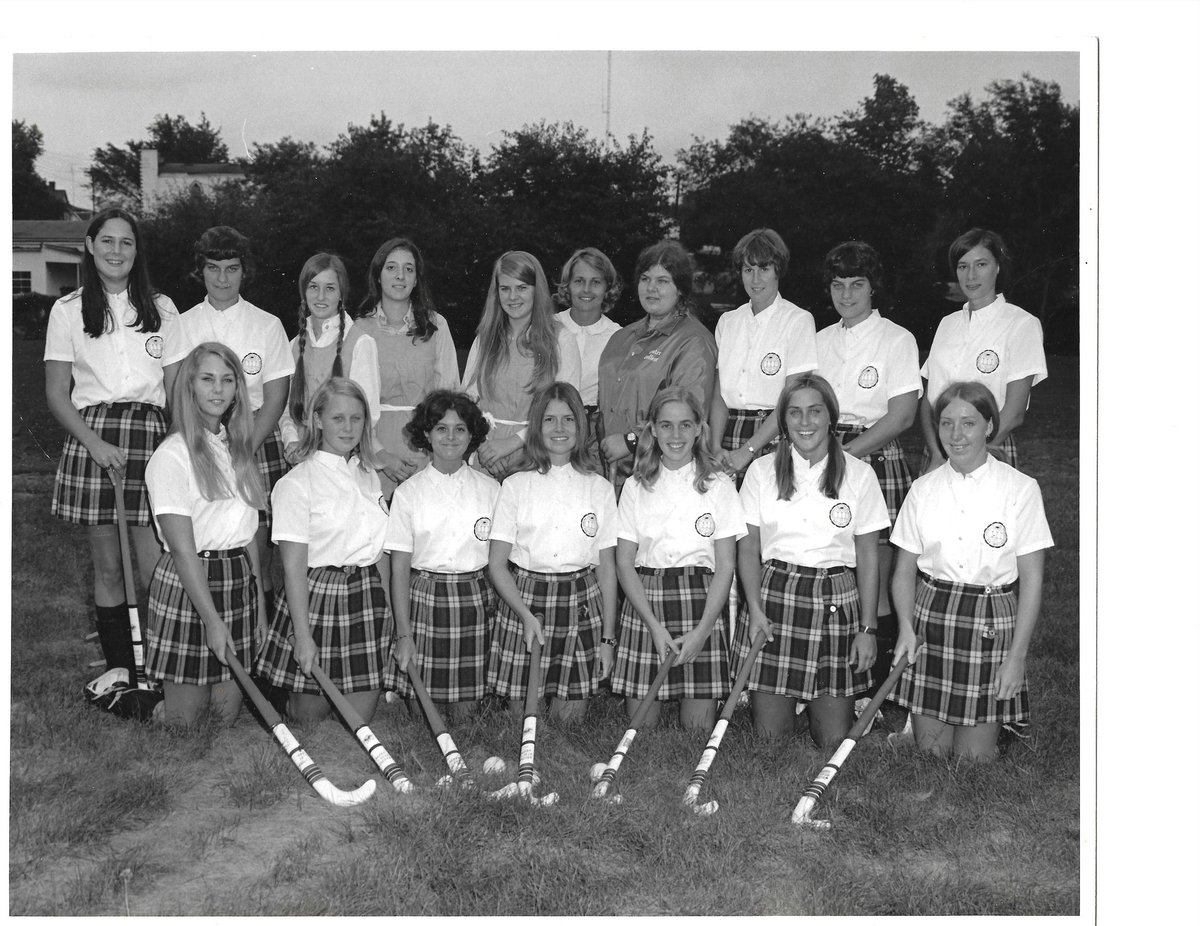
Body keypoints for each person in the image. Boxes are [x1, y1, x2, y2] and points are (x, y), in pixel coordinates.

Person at [43, 206, 178, 678]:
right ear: (90, 245)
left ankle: (163, 667)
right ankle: (122, 671)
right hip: (94, 438)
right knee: (108, 567)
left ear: (136, 251)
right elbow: (58, 395)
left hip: (151, 439)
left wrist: (176, 451)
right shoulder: (67, 311)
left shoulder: (161, 309)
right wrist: (95, 445)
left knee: (156, 563)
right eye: (107, 241)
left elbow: (176, 389)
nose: (116, 251)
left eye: (126, 242)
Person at [890, 381, 1052, 762]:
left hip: (989, 618)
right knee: (930, 754)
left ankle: (997, 728)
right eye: (946, 423)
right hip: (934, 616)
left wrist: (1016, 657)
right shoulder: (922, 489)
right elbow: (902, 572)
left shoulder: (1020, 489)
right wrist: (906, 629)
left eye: (968, 423)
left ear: (989, 426)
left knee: (973, 762)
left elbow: (1032, 579)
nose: (956, 435)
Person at [735, 374, 890, 744]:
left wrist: (868, 630)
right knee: (770, 738)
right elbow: (747, 547)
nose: (805, 422)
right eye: (795, 413)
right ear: (783, 420)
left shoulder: (860, 474)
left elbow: (868, 556)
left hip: (834, 598)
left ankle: (829, 705)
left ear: (831, 416)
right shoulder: (760, 471)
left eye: (815, 412)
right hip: (776, 598)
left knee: (832, 740)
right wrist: (754, 609)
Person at [163, 226, 293, 606]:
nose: (222, 278)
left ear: (244, 271)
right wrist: (203, 445)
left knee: (258, 548)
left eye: (232, 268)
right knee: (210, 537)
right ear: (199, 271)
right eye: (213, 268)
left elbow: (275, 396)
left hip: (253, 440)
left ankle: (261, 636)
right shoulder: (182, 325)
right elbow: (175, 391)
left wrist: (243, 447)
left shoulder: (267, 324)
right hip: (198, 441)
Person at [814, 241, 921, 692]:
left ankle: (879, 686)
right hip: (822, 452)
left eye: (857, 284)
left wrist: (845, 454)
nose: (847, 294)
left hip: (874, 455)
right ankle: (832, 676)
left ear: (873, 287)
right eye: (838, 285)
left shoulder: (897, 338)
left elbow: (902, 415)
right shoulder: (819, 340)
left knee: (874, 565)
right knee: (830, 556)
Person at [144, 343, 267, 726]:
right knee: (185, 725)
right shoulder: (172, 455)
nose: (218, 390)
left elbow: (247, 535)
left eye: (228, 380)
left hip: (236, 581)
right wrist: (212, 621)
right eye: (208, 379)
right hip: (189, 584)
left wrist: (260, 605)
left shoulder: (238, 448)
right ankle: (134, 702)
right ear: (190, 386)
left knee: (223, 719)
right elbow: (182, 551)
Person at [256, 378, 393, 724]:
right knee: (308, 718)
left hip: (365, 596)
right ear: (317, 420)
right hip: (318, 598)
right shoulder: (295, 484)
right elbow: (292, 570)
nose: (349, 428)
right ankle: (275, 684)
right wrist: (303, 637)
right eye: (338, 418)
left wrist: (392, 616)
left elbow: (380, 553)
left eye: (357, 418)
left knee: (357, 720)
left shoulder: (368, 475)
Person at [609, 387, 745, 730]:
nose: (676, 435)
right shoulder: (635, 485)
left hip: (700, 602)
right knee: (641, 726)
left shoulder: (719, 484)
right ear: (652, 429)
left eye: (686, 425)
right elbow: (625, 563)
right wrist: (653, 627)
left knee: (697, 729)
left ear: (700, 428)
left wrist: (702, 631)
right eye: (666, 425)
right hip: (647, 602)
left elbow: (726, 566)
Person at [486, 382, 618, 723]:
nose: (559, 429)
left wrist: (607, 637)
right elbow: (498, 565)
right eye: (549, 420)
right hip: (526, 601)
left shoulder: (599, 487)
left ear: (580, 425)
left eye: (568, 420)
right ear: (536, 427)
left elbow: (606, 568)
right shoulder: (515, 485)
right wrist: (525, 614)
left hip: (580, 599)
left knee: (568, 723)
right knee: (524, 720)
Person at [384, 390, 499, 723]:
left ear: (472, 435)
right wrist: (404, 634)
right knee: (424, 717)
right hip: (425, 601)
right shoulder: (407, 494)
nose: (451, 437)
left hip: (474, 601)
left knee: (466, 719)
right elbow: (400, 571)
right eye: (441, 428)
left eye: (460, 428)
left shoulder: (491, 490)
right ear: (426, 435)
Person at [919, 228, 1047, 473]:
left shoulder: (1021, 324)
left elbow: (1015, 411)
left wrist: (972, 458)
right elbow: (929, 400)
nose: (971, 275)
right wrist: (936, 453)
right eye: (963, 266)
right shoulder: (948, 324)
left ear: (997, 267)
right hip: (939, 451)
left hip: (991, 449)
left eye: (981, 264)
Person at [597, 241, 717, 489]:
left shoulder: (694, 341)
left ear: (680, 289)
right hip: (607, 475)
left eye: (662, 281)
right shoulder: (621, 337)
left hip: (656, 476)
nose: (651, 288)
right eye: (645, 278)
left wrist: (630, 441)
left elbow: (688, 417)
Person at [708, 228, 818, 488]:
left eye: (764, 269)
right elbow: (719, 395)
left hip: (774, 434)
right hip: (728, 437)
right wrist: (715, 446)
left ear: (778, 270)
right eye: (748, 270)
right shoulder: (728, 321)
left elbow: (792, 397)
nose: (755, 279)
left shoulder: (798, 320)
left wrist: (747, 451)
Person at [462, 251, 582, 481]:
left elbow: (566, 408)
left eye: (522, 287)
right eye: (505, 288)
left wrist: (512, 443)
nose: (512, 296)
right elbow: (467, 401)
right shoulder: (484, 340)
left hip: (537, 454)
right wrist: (484, 446)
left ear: (537, 290)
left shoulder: (560, 340)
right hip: (487, 456)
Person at [354, 237, 461, 495]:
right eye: (391, 267)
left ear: (416, 279)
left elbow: (450, 396)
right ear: (378, 275)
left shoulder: (437, 326)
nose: (400, 276)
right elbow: (353, 403)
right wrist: (381, 456)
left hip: (427, 449)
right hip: (374, 452)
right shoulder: (358, 329)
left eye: (408, 269)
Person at [278, 253, 381, 466]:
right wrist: (292, 441)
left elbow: (367, 414)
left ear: (341, 294)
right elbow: (286, 408)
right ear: (303, 292)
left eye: (330, 288)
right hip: (301, 459)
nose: (321, 296)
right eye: (313, 287)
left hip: (341, 460)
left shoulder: (360, 343)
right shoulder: (295, 345)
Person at [553, 247, 623, 457]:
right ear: (568, 285)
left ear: (607, 288)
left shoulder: (618, 336)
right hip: (549, 424)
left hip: (593, 433)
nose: (586, 289)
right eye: (579, 281)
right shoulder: (550, 327)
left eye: (596, 282)